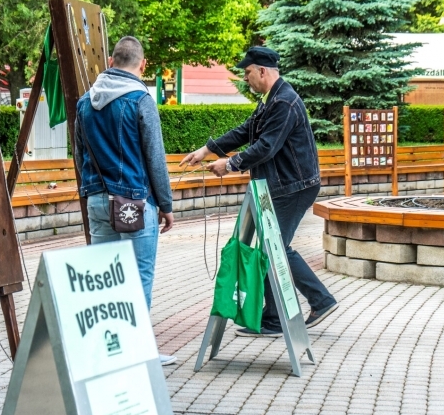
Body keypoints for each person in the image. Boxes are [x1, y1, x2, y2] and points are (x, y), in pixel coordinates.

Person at [180, 46, 338, 338]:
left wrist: (229, 165)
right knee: (272, 246)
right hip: (284, 186)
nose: (245, 78)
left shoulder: (284, 102)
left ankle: (303, 307)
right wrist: (206, 150)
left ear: (262, 71)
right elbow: (245, 131)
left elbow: (266, 147)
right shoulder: (271, 100)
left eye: (248, 72)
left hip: (294, 187)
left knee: (273, 248)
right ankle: (292, 310)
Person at [74, 36, 177, 365]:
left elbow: (79, 157)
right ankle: (138, 353)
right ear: (142, 64)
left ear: (110, 59)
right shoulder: (140, 99)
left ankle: (109, 350)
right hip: (133, 202)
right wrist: (166, 205)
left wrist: (90, 192)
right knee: (138, 276)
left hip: (96, 201)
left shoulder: (84, 103)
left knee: (106, 279)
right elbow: (155, 158)